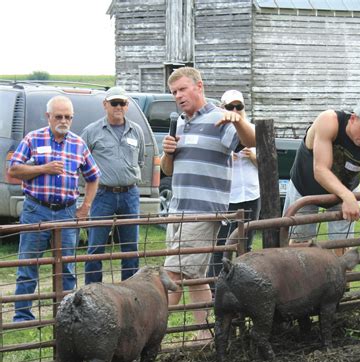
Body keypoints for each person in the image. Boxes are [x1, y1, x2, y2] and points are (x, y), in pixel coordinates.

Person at [161, 67, 256, 340]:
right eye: (174, 92)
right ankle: (206, 335)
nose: (178, 96)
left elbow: (251, 140)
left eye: (182, 89)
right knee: (196, 275)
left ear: (199, 86)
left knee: (173, 274)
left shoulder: (220, 119)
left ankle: (148, 331)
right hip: (177, 208)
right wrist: (168, 153)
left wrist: (237, 119)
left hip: (202, 210)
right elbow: (169, 170)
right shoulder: (179, 122)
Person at [8, 96, 101, 322]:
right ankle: (22, 316)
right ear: (48, 116)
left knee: (66, 266)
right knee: (28, 263)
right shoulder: (33, 139)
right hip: (36, 209)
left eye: (68, 117)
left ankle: (66, 314)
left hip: (67, 211)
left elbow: (93, 177)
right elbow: (14, 170)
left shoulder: (78, 144)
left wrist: (85, 207)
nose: (64, 121)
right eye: (58, 116)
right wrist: (43, 168)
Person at [282, 98, 360, 256]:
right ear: (353, 118)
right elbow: (320, 170)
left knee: (341, 246)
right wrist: (348, 196)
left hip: (345, 191)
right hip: (306, 187)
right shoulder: (329, 121)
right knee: (299, 243)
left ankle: (340, 278)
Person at [81, 86, 146, 283]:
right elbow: (80, 163)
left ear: (127, 106)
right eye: (114, 103)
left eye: (122, 103)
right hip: (102, 195)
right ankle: (93, 293)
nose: (118, 107)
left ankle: (131, 294)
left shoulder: (137, 131)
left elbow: (140, 160)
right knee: (96, 247)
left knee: (130, 248)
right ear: (105, 105)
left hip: (130, 194)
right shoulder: (91, 131)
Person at [207, 89, 260, 284]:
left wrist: (253, 157)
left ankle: (243, 281)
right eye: (231, 106)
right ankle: (216, 285)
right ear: (223, 108)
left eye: (239, 106)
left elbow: (268, 166)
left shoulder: (252, 130)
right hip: (227, 196)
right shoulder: (219, 130)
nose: (235, 110)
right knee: (222, 243)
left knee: (246, 241)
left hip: (251, 194)